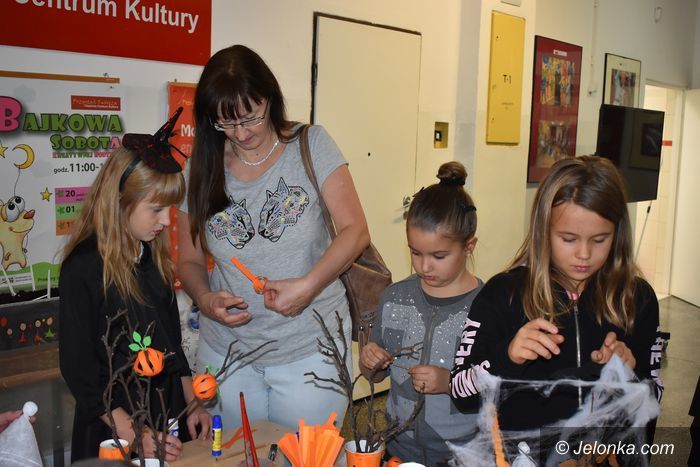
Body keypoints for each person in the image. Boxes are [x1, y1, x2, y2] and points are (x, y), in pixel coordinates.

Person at [177, 45, 370, 429]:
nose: (241, 133)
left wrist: (308, 286)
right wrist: (205, 298)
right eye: (226, 123)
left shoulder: (310, 144)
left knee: (305, 454)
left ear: (270, 98)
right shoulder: (202, 164)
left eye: (251, 116)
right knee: (233, 454)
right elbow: (188, 259)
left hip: (310, 347)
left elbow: (356, 232)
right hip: (226, 354)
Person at [450, 156, 663, 433]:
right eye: (568, 239)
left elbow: (654, 401)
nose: (584, 254)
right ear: (543, 230)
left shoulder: (637, 299)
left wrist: (629, 376)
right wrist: (507, 358)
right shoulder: (503, 294)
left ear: (618, 234)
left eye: (599, 239)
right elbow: (460, 393)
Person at [59, 111, 211, 462]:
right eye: (156, 209)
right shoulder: (84, 269)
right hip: (114, 432)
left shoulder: (153, 259)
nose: (165, 221)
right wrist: (136, 434)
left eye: (169, 210)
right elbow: (82, 375)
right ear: (119, 200)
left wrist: (193, 405)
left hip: (164, 421)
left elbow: (173, 351)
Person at [359, 162, 482, 465]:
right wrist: (371, 361)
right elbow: (375, 373)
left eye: (439, 256)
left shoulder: (487, 307)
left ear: (469, 246)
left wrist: (450, 383)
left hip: (463, 453)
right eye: (415, 252)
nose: (424, 266)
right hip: (399, 447)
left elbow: (500, 387)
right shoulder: (394, 297)